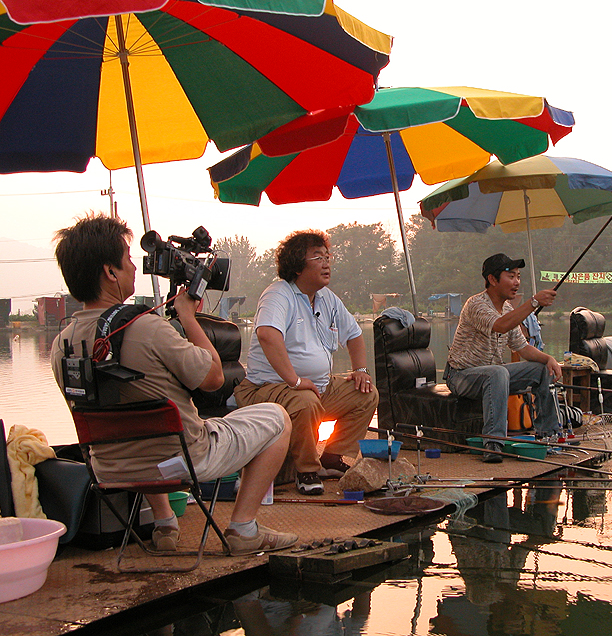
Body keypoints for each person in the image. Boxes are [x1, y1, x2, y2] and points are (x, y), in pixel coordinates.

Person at [50, 214, 297, 556]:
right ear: (110, 272)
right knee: (278, 418)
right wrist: (188, 318)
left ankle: (165, 524)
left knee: (138, 421)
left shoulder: (61, 345)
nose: (135, 268)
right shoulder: (147, 329)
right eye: (127, 260)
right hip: (182, 460)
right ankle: (243, 529)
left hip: (108, 469)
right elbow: (214, 379)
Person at [234, 230, 378, 495]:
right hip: (268, 388)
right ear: (298, 266)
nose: (326, 263)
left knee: (366, 393)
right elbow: (267, 335)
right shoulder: (278, 294)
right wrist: (295, 381)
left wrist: (360, 370)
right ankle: (307, 471)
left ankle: (331, 458)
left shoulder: (327, 298)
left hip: (318, 387)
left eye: (327, 257)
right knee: (305, 401)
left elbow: (354, 335)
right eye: (318, 258)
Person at [445, 253, 563, 463]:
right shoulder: (476, 305)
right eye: (511, 276)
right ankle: (493, 443)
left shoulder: (508, 309)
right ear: (492, 279)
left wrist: (548, 359)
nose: (516, 282)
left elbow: (522, 347)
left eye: (518, 276)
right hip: (462, 376)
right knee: (498, 372)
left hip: (494, 377)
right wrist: (534, 302)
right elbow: (500, 325)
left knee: (540, 369)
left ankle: (549, 436)